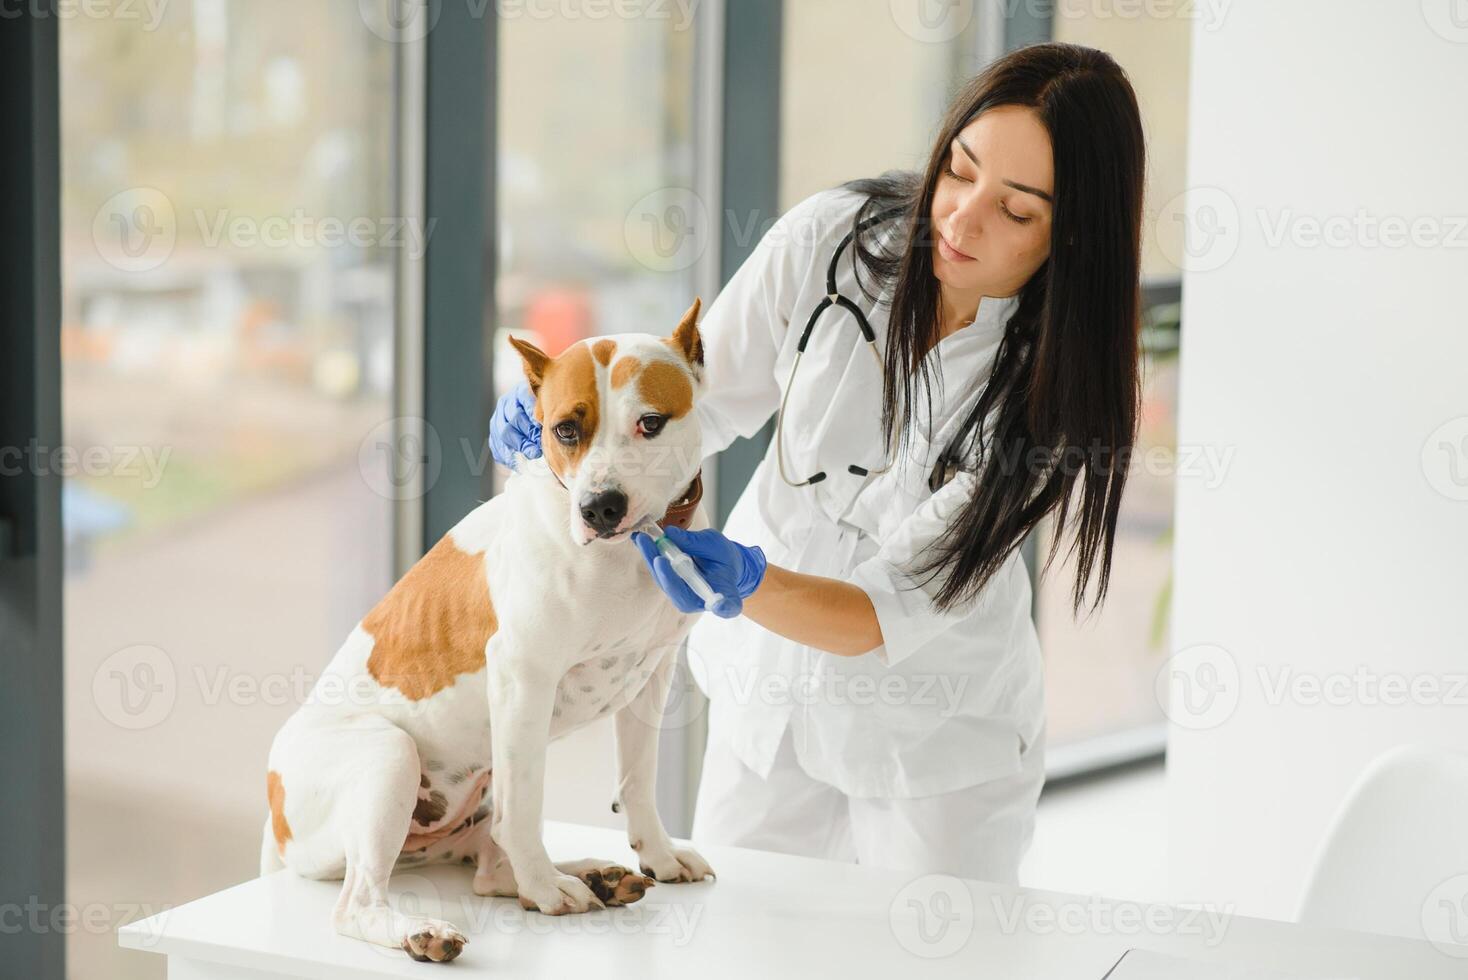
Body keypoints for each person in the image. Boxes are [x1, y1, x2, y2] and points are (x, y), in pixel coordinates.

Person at [489, 42, 1146, 884]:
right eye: (959, 169)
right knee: (740, 947)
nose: (960, 218)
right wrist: (578, 431)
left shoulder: (1060, 388)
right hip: (770, 712)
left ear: (1072, 239)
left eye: (1016, 212)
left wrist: (745, 582)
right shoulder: (833, 238)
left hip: (933, 745)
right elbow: (704, 399)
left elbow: (885, 612)